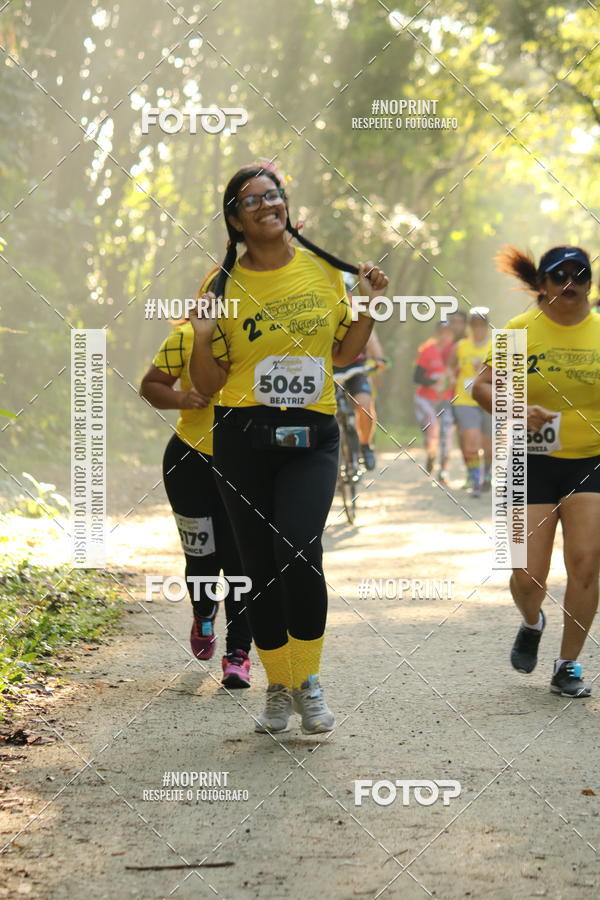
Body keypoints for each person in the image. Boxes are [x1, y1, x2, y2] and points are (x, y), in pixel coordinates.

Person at [188, 163, 388, 734]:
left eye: (273, 195)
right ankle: (277, 685)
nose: (266, 204)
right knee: (256, 567)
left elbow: (345, 354)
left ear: (286, 206)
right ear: (234, 219)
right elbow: (207, 379)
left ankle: (309, 679)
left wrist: (368, 303)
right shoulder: (220, 286)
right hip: (242, 437)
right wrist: (202, 336)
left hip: (311, 436)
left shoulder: (325, 272)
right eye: (252, 200)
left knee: (299, 550)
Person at [473, 245, 599, 698]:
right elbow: (481, 388)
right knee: (527, 576)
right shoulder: (519, 331)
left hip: (590, 462)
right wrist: (518, 409)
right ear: (542, 284)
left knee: (585, 565)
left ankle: (568, 665)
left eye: (579, 274)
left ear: (590, 283)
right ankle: (532, 621)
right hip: (531, 461)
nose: (571, 282)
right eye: (559, 275)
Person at [140, 322, 253, 688]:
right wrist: (181, 399)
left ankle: (238, 654)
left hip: (247, 464)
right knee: (202, 558)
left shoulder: (266, 335)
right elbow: (150, 386)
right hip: (189, 461)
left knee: (240, 560)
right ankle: (204, 611)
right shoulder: (186, 337)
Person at [333, 274, 388, 470]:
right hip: (329, 371)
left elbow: (371, 340)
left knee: (364, 404)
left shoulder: (358, 310)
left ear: (351, 291)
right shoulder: (324, 310)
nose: (343, 295)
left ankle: (366, 445)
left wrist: (379, 359)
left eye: (346, 290)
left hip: (356, 369)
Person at [449, 308, 493, 497]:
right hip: (465, 398)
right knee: (471, 441)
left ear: (487, 327)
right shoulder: (461, 346)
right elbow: (451, 367)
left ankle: (487, 475)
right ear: (470, 327)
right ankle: (475, 480)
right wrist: (450, 378)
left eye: (482, 325)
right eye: (474, 325)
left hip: (489, 398)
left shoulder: (495, 346)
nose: (478, 329)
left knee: (488, 446)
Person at [413, 320, 454, 481]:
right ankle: (431, 455)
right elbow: (416, 377)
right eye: (441, 332)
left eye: (448, 333)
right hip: (426, 399)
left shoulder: (454, 351)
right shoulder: (427, 351)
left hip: (445, 399)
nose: (444, 336)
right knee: (432, 430)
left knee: (446, 432)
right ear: (437, 334)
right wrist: (434, 382)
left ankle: (443, 468)